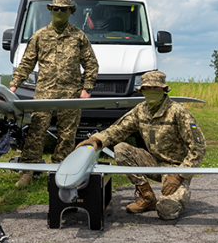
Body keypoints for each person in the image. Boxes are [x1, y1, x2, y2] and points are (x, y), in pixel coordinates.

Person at [77, 71, 206, 220]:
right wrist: (97, 140)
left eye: (155, 88)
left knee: (166, 211)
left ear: (164, 89)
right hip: (152, 162)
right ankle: (147, 197)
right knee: (121, 149)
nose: (151, 92)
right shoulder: (140, 110)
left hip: (176, 167)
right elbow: (119, 129)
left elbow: (199, 147)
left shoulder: (178, 112)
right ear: (141, 91)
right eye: (147, 89)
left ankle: (179, 191)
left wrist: (180, 175)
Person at [10, 0, 99, 189]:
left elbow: (91, 63)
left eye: (64, 9)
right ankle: (28, 171)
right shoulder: (40, 36)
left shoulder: (78, 36)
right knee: (36, 131)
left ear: (70, 12)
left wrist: (87, 88)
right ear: (50, 10)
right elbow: (26, 63)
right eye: (56, 9)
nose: (60, 12)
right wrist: (14, 84)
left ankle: (61, 170)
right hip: (44, 93)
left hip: (71, 94)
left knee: (67, 135)